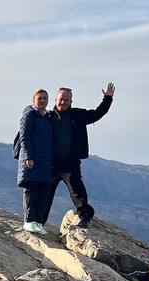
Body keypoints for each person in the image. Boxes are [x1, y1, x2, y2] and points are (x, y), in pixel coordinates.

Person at [45, 83, 115, 229]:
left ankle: (85, 217)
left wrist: (107, 98)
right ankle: (39, 222)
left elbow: (98, 113)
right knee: (44, 195)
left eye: (66, 100)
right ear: (55, 100)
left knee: (77, 192)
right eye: (61, 99)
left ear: (71, 102)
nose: (63, 102)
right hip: (50, 164)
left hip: (70, 164)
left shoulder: (78, 115)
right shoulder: (47, 117)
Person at [13, 89, 54, 235]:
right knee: (32, 189)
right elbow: (25, 137)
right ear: (34, 100)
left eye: (45, 98)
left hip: (45, 160)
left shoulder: (48, 117)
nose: (43, 100)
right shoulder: (29, 114)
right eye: (40, 98)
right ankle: (29, 221)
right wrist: (28, 157)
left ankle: (38, 222)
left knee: (43, 191)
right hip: (32, 159)